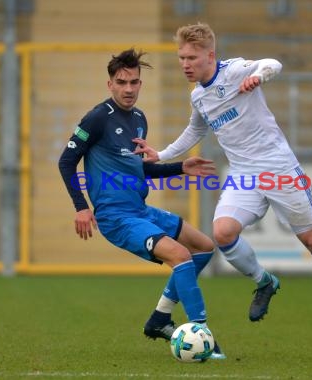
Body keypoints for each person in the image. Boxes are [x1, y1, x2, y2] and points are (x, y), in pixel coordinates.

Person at [133, 23, 312, 356]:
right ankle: (264, 282)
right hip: (243, 175)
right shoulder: (198, 96)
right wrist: (162, 154)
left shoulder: (235, 71)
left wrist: (260, 76)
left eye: (192, 57)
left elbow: (272, 63)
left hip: (279, 170)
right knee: (223, 233)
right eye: (181, 57)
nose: (185, 64)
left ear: (210, 55)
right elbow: (194, 131)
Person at [58, 48, 225, 359]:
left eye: (134, 82)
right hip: (115, 217)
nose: (129, 89)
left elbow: (140, 168)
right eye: (122, 82)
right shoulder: (97, 118)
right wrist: (81, 207)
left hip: (140, 210)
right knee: (180, 255)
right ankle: (202, 333)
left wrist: (179, 167)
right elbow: (66, 161)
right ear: (110, 84)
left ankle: (160, 318)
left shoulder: (138, 119)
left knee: (203, 246)